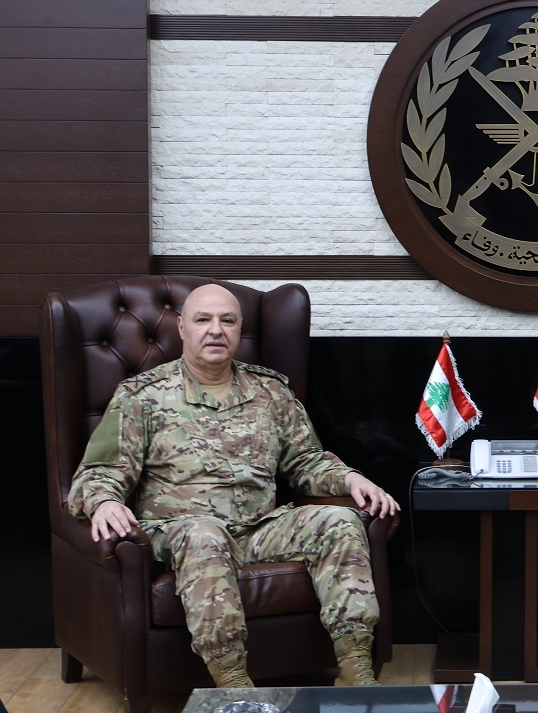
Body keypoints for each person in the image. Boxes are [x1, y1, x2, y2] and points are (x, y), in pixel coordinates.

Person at [68, 283, 400, 689]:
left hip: (259, 530)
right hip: (182, 532)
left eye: (227, 320)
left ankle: (355, 669)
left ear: (240, 330)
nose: (215, 329)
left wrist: (349, 477)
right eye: (203, 319)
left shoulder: (271, 391)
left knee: (340, 521)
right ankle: (233, 683)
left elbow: (305, 460)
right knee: (204, 534)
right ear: (181, 328)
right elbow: (97, 472)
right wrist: (102, 502)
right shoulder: (142, 397)